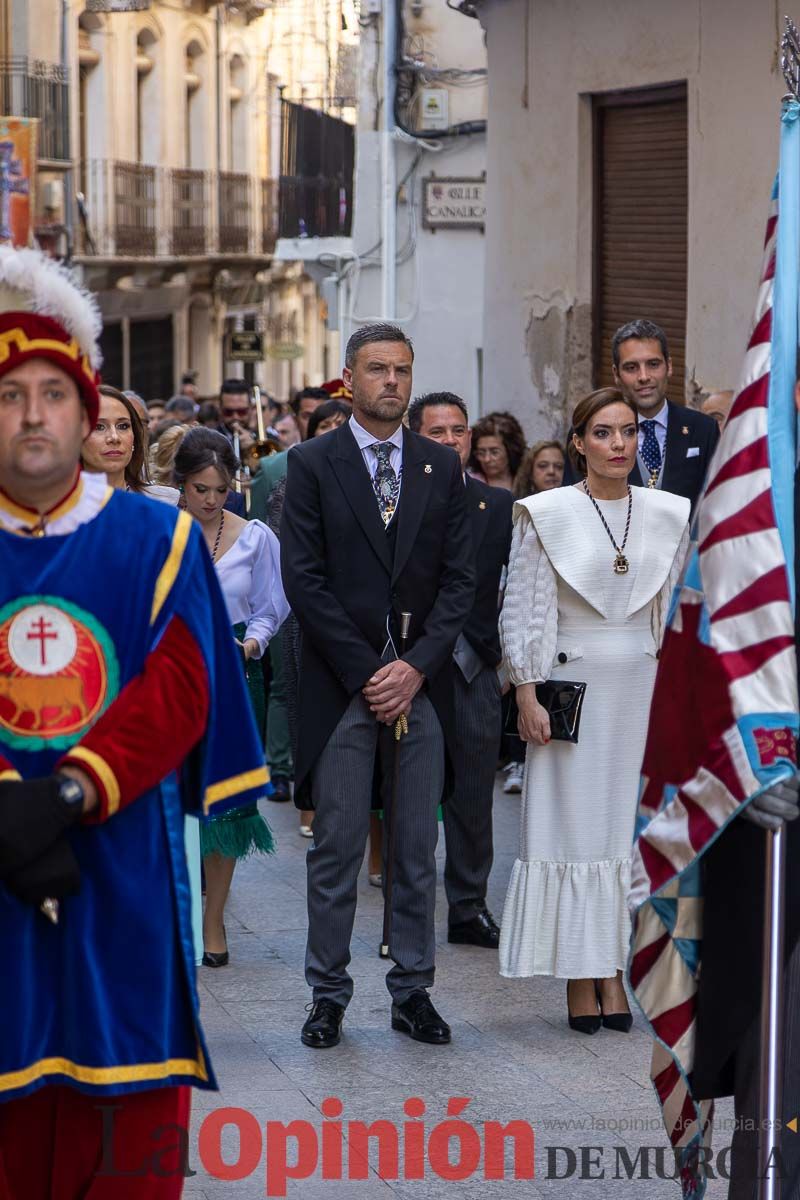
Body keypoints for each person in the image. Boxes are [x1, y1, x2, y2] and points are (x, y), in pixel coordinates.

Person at [0, 246, 268, 1199]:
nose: (34, 415)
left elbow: (180, 689)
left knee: (121, 1119)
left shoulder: (154, 539)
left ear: (89, 413)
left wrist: (69, 792)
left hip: (120, 865)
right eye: (10, 395)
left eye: (54, 395)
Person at [280, 322, 474, 1050]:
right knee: (335, 845)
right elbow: (304, 579)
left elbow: (459, 582)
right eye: (377, 370)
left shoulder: (439, 466)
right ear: (349, 378)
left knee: (416, 846)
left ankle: (413, 992)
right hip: (344, 687)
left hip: (420, 685)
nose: (391, 381)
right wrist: (369, 672)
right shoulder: (311, 463)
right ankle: (327, 994)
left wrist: (416, 666)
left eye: (402, 370)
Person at [498, 387, 689, 1032]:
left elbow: (673, 616)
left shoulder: (667, 513)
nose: (618, 445)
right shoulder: (544, 512)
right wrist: (526, 689)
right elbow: (523, 605)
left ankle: (615, 972)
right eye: (603, 433)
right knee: (573, 831)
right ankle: (583, 980)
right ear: (578, 442)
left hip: (642, 691)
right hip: (569, 691)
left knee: (625, 836)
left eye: (628, 432)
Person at [173, 428, 288, 966]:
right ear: (182, 485)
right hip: (169, 674)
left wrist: (254, 643)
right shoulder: (158, 531)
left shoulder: (256, 536)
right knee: (170, 796)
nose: (212, 500)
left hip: (235, 674)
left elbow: (272, 605)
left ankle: (213, 919)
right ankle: (173, 912)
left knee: (226, 799)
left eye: (221, 489)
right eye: (201, 489)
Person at [409, 391, 512, 948]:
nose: (449, 441)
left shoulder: (497, 506)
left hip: (475, 669)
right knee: (415, 798)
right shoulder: (395, 502)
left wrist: (503, 665)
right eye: (437, 432)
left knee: (474, 796)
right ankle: (410, 908)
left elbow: (512, 589)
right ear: (416, 436)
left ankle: (469, 907)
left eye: (458, 431)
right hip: (415, 670)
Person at [500, 439, 567, 797]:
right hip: (523, 606)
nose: (552, 472)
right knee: (522, 687)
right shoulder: (521, 510)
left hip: (563, 623)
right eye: (544, 466)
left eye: (557, 465)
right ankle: (517, 760)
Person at [82, 384, 178, 503]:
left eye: (123, 426)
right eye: (99, 427)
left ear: (135, 437)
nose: (114, 437)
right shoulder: (56, 509)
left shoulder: (164, 504)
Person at [468, 411, 527, 492]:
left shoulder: (527, 480)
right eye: (481, 453)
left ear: (511, 451)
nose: (487, 459)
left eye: (494, 452)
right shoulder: (469, 484)